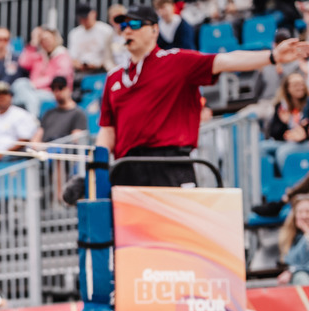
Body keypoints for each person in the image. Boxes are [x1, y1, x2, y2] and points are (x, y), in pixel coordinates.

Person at [97, 4, 309, 187]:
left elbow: (226, 61)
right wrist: (96, 167)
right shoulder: (114, 78)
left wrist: (272, 56)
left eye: (134, 25)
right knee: (131, 233)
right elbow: (107, 130)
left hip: (169, 164)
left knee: (176, 233)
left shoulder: (175, 61)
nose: (127, 31)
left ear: (154, 29)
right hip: (127, 168)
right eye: (123, 26)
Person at [0, 81, 40, 172]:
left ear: (10, 96)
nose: (1, 97)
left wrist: (2, 153)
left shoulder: (21, 114)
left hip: (9, 156)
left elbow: (25, 139)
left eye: (4, 93)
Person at [13, 26, 74, 117]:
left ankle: (32, 119)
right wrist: (33, 42)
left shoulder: (62, 55)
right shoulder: (40, 55)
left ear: (55, 39)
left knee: (21, 98)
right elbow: (23, 63)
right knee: (19, 84)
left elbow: (59, 78)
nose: (46, 42)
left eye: (48, 39)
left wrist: (35, 85)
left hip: (53, 92)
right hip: (33, 90)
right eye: (42, 40)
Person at [32, 75, 90, 143]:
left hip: (62, 151)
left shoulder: (78, 113)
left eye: (60, 87)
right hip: (44, 151)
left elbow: (77, 139)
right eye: (53, 88)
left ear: (68, 89)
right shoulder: (49, 113)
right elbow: (37, 136)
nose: (57, 91)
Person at [68, 3, 116, 75]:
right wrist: (78, 64)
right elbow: (72, 57)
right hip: (80, 72)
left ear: (94, 14)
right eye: (81, 18)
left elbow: (111, 56)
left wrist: (97, 64)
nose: (84, 20)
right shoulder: (74, 33)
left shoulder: (106, 31)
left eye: (86, 17)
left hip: (101, 71)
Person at [278, 194, 309, 285]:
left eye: (308, 212)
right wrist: (306, 235)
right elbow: (292, 260)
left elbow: (295, 266)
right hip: (303, 279)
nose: (304, 216)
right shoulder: (290, 235)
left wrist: (292, 270)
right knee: (300, 277)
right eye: (300, 212)